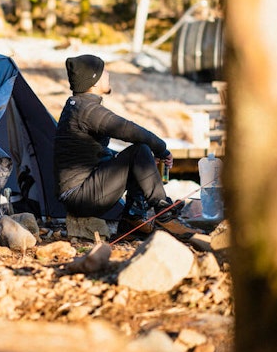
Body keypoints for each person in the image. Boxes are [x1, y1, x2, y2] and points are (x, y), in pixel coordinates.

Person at [53, 54, 181, 236]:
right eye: (104, 72)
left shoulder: (77, 106)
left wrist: (146, 164)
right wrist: (161, 148)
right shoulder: (88, 110)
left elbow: (95, 153)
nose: (108, 74)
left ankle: (132, 218)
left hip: (81, 191)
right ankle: (164, 212)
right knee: (139, 150)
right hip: (80, 196)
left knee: (138, 157)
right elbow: (129, 130)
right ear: (94, 81)